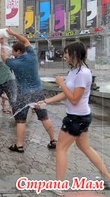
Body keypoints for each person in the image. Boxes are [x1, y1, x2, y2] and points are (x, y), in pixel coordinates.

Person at [36, 42, 110, 195]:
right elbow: (66, 94)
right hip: (79, 116)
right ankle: (108, 177)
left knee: (61, 148)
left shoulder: (83, 73)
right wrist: (45, 102)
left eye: (66, 53)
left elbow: (75, 99)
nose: (64, 56)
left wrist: (61, 84)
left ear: (74, 54)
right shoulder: (74, 71)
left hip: (76, 118)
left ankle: (59, 185)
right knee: (85, 147)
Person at [0, 28, 56, 153]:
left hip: (23, 94)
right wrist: (14, 33)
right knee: (44, 117)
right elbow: (25, 40)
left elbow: (3, 57)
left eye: (13, 52)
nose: (12, 54)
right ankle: (53, 140)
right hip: (38, 92)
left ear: (18, 51)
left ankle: (19, 145)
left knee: (21, 121)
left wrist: (2, 43)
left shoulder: (14, 63)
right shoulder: (32, 55)